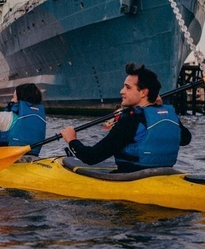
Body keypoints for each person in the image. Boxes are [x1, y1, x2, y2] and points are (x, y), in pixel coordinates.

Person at [60, 63, 191, 173]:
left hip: (133, 178)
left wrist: (72, 140)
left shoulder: (130, 120)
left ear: (144, 92)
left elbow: (91, 157)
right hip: (164, 174)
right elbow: (185, 139)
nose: (122, 91)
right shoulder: (169, 115)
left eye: (128, 88)